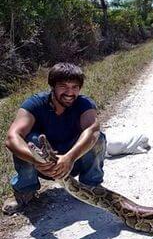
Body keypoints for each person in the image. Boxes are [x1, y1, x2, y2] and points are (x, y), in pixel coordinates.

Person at [2, 63, 106, 214]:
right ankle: (25, 191)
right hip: (41, 164)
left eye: (75, 87)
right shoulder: (35, 103)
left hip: (73, 162)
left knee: (98, 138)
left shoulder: (84, 103)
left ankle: (91, 187)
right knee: (28, 141)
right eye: (63, 86)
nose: (70, 92)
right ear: (52, 86)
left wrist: (69, 158)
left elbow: (93, 130)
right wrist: (36, 159)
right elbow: (12, 138)